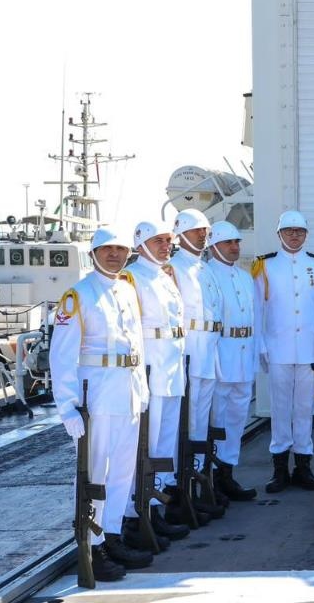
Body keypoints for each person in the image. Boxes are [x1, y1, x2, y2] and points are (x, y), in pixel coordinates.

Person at [50, 227, 153, 582]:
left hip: (127, 394)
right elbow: (62, 357)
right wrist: (67, 408)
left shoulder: (127, 290)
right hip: (96, 398)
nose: (114, 254)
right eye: (107, 249)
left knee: (122, 471)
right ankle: (92, 547)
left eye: (120, 249)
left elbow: (137, 346)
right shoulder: (77, 296)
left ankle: (112, 535)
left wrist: (142, 390)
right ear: (93, 253)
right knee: (95, 474)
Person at [252, 210, 314, 493]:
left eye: (299, 231)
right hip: (278, 349)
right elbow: (257, 310)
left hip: (309, 350)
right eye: (288, 231)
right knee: (280, 409)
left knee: (304, 408)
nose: (294, 235)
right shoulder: (265, 266)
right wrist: (261, 345)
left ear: (306, 234)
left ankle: (303, 466)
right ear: (279, 234)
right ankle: (279, 469)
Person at [119, 221, 191, 548]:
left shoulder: (165, 276)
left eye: (167, 240)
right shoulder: (132, 277)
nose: (165, 246)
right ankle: (136, 516)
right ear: (140, 244)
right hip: (151, 369)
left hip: (172, 368)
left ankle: (155, 508)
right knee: (145, 447)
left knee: (164, 446)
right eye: (157, 240)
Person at [168, 208, 227, 522]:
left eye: (205, 231)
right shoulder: (173, 268)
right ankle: (181, 490)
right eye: (195, 231)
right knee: (186, 423)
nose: (202, 236)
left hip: (209, 350)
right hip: (189, 350)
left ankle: (199, 485)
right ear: (180, 235)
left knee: (201, 423)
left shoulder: (205, 268)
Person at [207, 222, 261, 496]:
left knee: (238, 417)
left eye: (237, 242)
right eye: (228, 242)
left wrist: (256, 353)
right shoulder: (206, 275)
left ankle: (228, 473)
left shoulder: (244, 277)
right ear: (213, 245)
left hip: (243, 354)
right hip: (221, 355)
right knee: (216, 418)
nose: (234, 247)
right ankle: (212, 476)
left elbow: (256, 317)